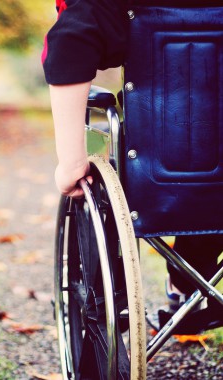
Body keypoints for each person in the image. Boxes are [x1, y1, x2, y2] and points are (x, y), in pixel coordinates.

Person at [42, 0, 223, 314]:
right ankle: (188, 282)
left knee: (191, 167)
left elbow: (69, 40)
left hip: (166, 173)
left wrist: (71, 162)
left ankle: (182, 287)